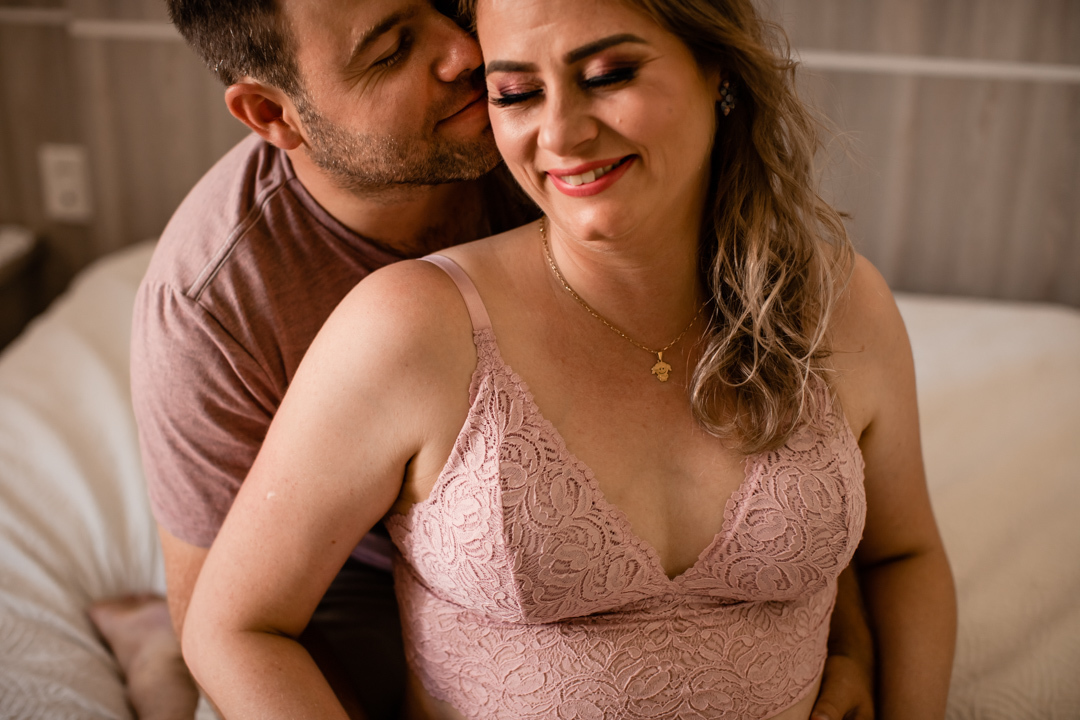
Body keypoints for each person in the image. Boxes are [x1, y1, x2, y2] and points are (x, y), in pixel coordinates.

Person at [89, 0, 877, 718]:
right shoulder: (211, 302)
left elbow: (774, 453)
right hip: (346, 571)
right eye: (393, 50)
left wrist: (840, 638)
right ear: (273, 113)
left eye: (446, 5)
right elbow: (225, 617)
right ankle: (149, 657)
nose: (466, 54)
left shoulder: (537, 132)